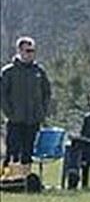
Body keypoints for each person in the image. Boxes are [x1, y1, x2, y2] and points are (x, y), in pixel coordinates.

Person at [0, 36, 52, 178]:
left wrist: (42, 111)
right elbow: (2, 94)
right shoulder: (9, 72)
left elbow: (47, 92)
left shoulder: (39, 71)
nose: (30, 54)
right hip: (15, 120)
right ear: (20, 51)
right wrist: (9, 113)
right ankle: (7, 179)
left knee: (28, 151)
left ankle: (25, 178)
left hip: (33, 120)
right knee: (12, 151)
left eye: (32, 50)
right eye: (27, 50)